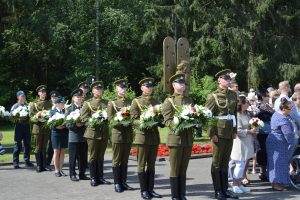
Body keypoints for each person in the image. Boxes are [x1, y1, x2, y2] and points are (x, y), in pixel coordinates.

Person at [205, 69, 238, 200]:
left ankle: (225, 189)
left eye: (229, 78)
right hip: (218, 132)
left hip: (229, 131)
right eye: (226, 78)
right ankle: (218, 190)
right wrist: (211, 133)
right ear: (219, 80)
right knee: (217, 162)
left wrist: (234, 130)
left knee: (225, 162)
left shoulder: (233, 95)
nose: (229, 80)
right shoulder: (212, 96)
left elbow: (234, 114)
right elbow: (208, 116)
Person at [162, 73, 194, 200]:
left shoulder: (189, 100)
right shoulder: (169, 101)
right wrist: (180, 123)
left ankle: (182, 194)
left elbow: (193, 115)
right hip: (175, 139)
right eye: (180, 83)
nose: (183, 85)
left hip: (187, 139)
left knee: (183, 168)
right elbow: (167, 121)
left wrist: (194, 122)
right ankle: (175, 195)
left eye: (184, 83)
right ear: (174, 85)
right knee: (175, 168)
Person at [130, 78, 163, 199]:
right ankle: (143, 190)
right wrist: (144, 121)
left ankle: (151, 189)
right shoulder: (136, 101)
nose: (149, 88)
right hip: (142, 137)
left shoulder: (155, 101)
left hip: (154, 137)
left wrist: (160, 122)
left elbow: (160, 116)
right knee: (141, 164)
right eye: (146, 86)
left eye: (150, 86)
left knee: (152, 165)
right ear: (142, 88)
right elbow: (133, 119)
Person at [80, 81, 111, 187]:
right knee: (93, 156)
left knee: (101, 156)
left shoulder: (107, 103)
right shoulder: (88, 103)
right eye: (97, 89)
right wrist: (94, 120)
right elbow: (83, 118)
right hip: (92, 133)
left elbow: (111, 116)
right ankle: (93, 177)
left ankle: (100, 177)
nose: (99, 91)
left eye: (100, 89)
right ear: (93, 91)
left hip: (104, 133)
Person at [107, 79, 134, 193]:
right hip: (117, 134)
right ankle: (117, 183)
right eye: (121, 88)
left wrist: (129, 120)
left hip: (127, 134)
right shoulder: (112, 103)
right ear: (116, 89)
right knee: (117, 159)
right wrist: (119, 120)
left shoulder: (130, 102)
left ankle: (124, 182)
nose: (123, 90)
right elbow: (110, 119)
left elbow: (134, 116)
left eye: (124, 88)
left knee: (125, 160)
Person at [266, 98, 298, 191]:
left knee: (278, 163)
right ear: (284, 109)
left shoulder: (277, 114)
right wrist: (293, 141)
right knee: (277, 163)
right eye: (289, 109)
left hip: (275, 141)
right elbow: (288, 134)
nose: (291, 111)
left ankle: (280, 182)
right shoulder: (283, 119)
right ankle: (276, 184)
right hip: (277, 142)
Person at [230, 96, 255, 194]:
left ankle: (240, 184)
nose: (248, 104)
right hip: (239, 142)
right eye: (246, 102)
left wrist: (255, 126)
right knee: (239, 164)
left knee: (243, 163)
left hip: (247, 142)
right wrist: (249, 131)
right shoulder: (237, 115)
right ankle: (235, 185)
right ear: (241, 104)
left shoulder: (247, 114)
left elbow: (250, 124)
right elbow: (237, 130)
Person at [66, 89, 89, 181]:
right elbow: (66, 123)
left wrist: (84, 123)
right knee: (73, 156)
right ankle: (72, 174)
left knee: (83, 156)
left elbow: (88, 119)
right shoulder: (69, 109)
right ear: (73, 98)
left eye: (80, 97)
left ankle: (82, 174)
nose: (79, 98)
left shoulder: (85, 107)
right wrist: (75, 124)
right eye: (77, 97)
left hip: (84, 136)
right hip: (74, 136)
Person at [29, 85, 52, 172]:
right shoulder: (34, 104)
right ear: (38, 93)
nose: (43, 93)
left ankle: (44, 165)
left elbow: (51, 114)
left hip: (46, 128)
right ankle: (39, 165)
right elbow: (31, 117)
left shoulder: (49, 103)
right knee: (38, 147)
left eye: (44, 92)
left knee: (44, 147)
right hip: (37, 128)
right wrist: (37, 119)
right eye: (42, 92)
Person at [11, 91, 34, 168]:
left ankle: (27, 161)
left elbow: (31, 115)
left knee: (27, 144)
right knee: (18, 145)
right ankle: (15, 162)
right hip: (18, 127)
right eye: (21, 96)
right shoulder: (15, 106)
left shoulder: (27, 106)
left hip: (26, 127)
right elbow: (12, 118)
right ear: (18, 97)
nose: (23, 97)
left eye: (24, 96)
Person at [255, 90, 273, 181]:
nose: (268, 97)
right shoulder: (257, 106)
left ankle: (268, 172)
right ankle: (262, 172)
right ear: (262, 97)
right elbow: (254, 117)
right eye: (266, 96)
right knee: (262, 151)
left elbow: (273, 114)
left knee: (268, 152)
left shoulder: (268, 106)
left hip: (270, 131)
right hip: (261, 131)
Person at [49, 97, 68, 177]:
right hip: (55, 133)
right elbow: (50, 123)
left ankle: (61, 169)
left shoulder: (65, 111)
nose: (62, 105)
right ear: (56, 104)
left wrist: (64, 126)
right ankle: (56, 170)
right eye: (61, 103)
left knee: (63, 151)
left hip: (64, 132)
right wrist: (56, 126)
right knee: (56, 151)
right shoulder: (52, 112)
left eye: (63, 103)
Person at [46, 90, 60, 168]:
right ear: (51, 98)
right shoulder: (48, 105)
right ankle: (48, 161)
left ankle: (56, 162)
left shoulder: (61, 105)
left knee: (55, 145)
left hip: (57, 129)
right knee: (50, 146)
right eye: (52, 97)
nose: (54, 99)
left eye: (55, 97)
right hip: (48, 128)